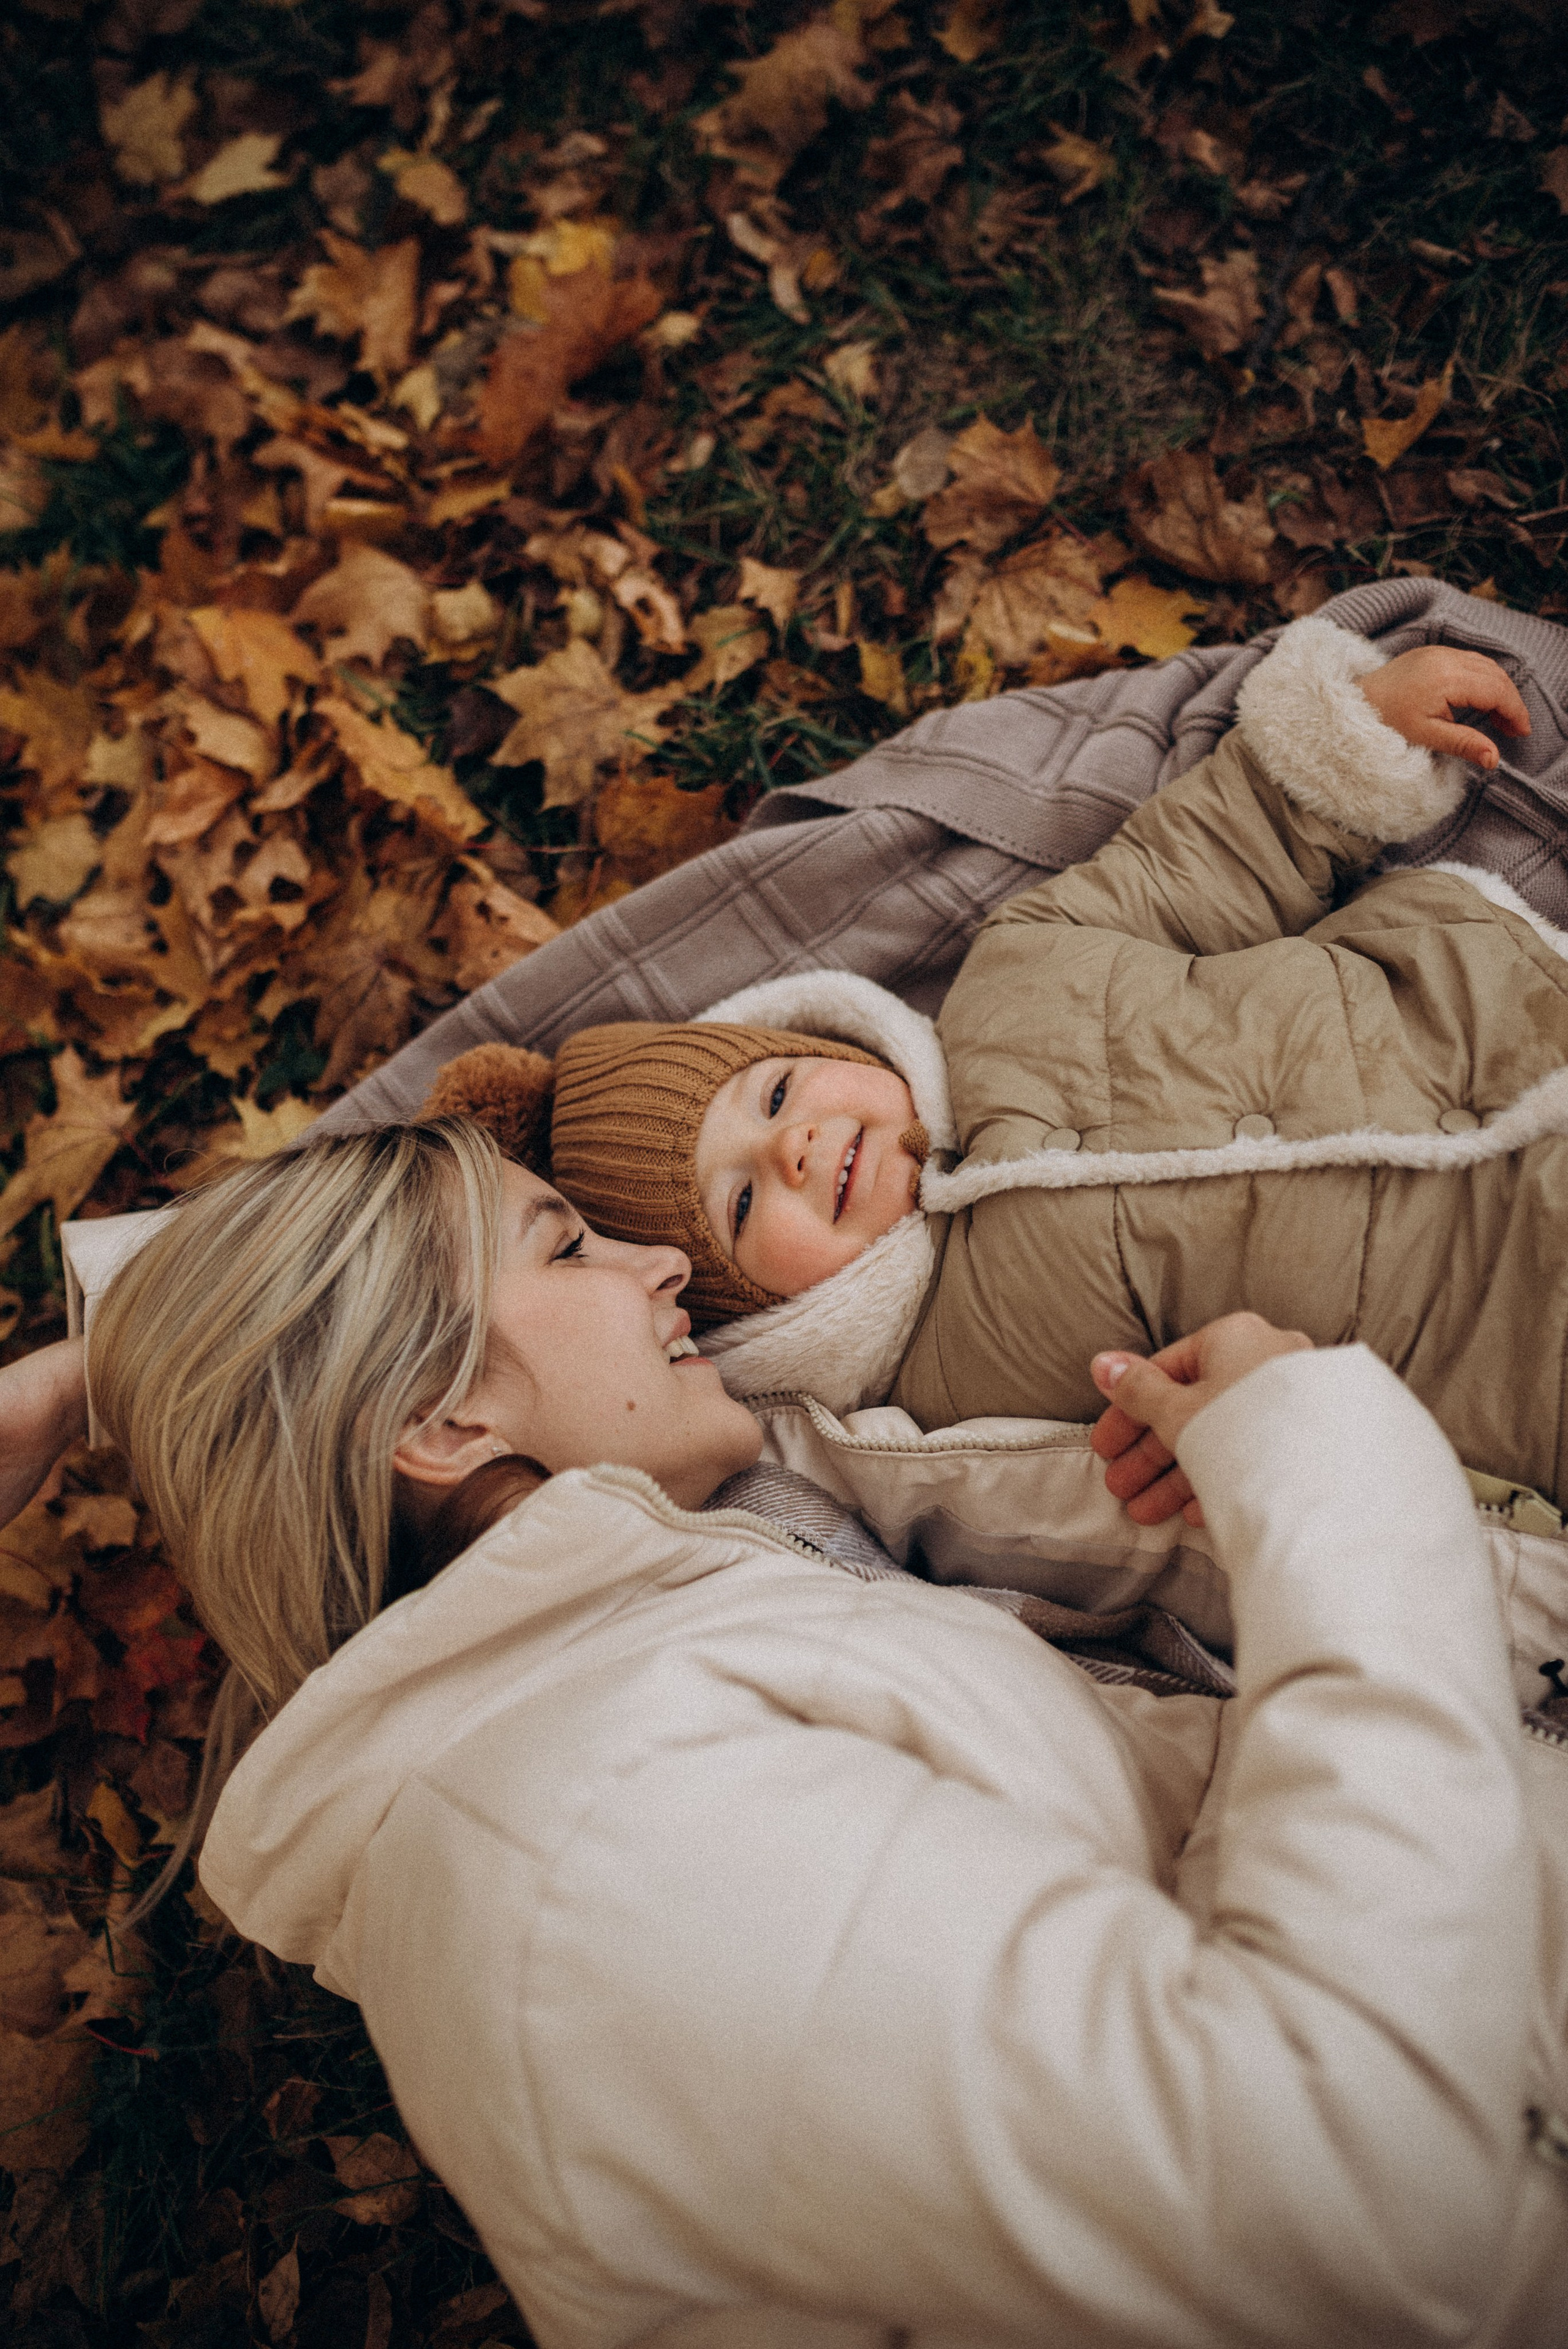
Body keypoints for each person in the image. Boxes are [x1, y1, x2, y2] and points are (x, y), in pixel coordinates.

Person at [31, 1111, 1563, 2348]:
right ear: (439, 1427)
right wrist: (1320, 1462)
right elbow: (1348, 2197)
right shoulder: (577, 1853)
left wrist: (95, 1367)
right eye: (568, 1240)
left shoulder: (625, 1643)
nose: (660, 1264)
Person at [426, 614, 1568, 1517]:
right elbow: (1073, 1505)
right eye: (740, 1199)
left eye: (773, 1095)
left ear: (816, 1039)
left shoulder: (1016, 977)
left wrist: (1351, 735)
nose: (795, 1143)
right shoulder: (938, 1400)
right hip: (1506, 1340)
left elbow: (1196, 864)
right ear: (750, 1312)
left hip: (1486, 1007)